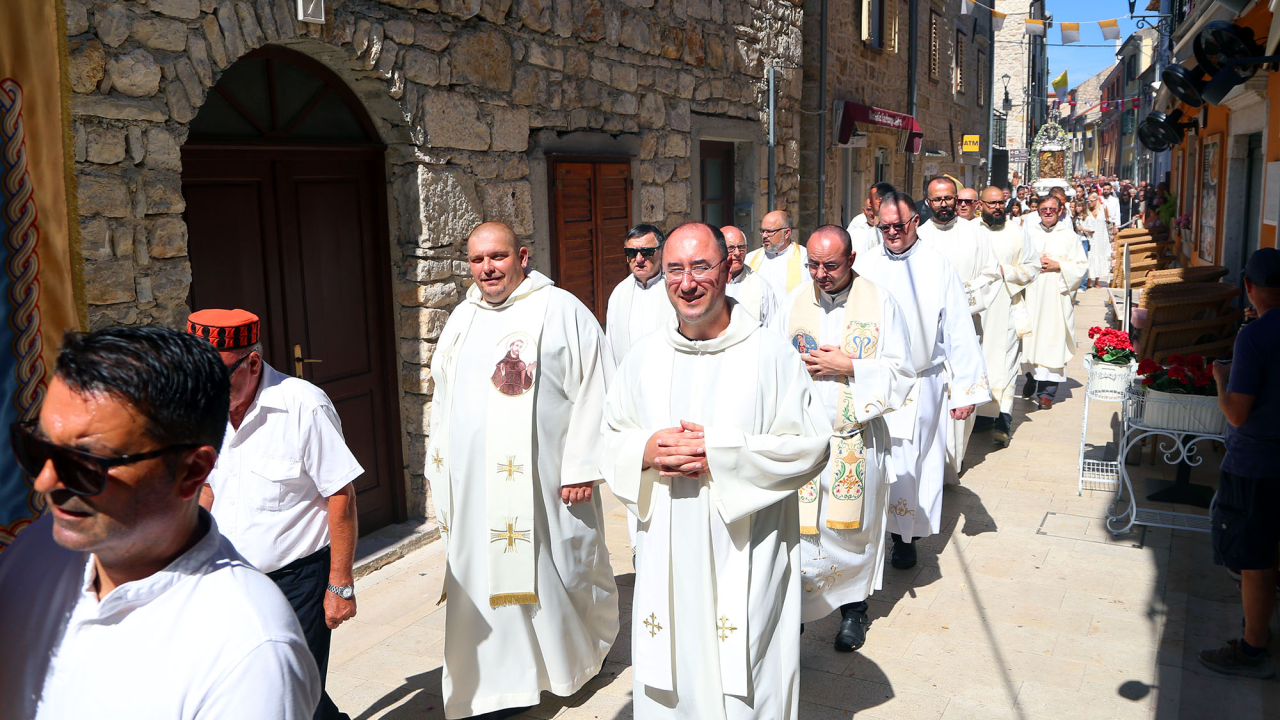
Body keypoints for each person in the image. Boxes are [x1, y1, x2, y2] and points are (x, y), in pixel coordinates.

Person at [0, 326, 320, 720]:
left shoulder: (250, 657)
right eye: (38, 449)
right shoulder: (37, 551)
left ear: (191, 471)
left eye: (85, 464)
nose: (46, 481)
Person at [602, 222, 830, 720]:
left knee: (746, 675)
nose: (687, 283)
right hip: (666, 553)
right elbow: (608, 436)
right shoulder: (642, 359)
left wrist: (721, 454)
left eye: (700, 267)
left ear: (728, 268)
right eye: (674, 270)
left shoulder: (770, 354)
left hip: (747, 554)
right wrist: (645, 449)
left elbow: (812, 445)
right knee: (673, 675)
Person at [425, 222, 619, 718]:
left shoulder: (560, 310)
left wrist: (581, 465)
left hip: (542, 481)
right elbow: (444, 398)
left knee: (553, 571)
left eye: (498, 257)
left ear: (522, 256)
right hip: (472, 489)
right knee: (480, 576)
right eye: (477, 260)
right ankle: (494, 682)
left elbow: (598, 387)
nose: (487, 269)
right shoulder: (461, 318)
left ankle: (561, 662)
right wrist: (440, 465)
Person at [190, 309, 361, 720]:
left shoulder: (303, 404)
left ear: (251, 362)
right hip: (229, 577)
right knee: (263, 687)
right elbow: (207, 489)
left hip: (296, 580)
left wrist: (340, 585)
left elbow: (340, 495)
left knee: (287, 690)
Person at [771, 225, 914, 653]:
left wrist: (851, 366)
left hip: (856, 439)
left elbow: (903, 372)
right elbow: (772, 364)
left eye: (829, 265)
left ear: (851, 260)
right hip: (805, 440)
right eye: (813, 264)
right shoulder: (793, 302)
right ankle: (795, 613)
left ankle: (854, 610)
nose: (820, 273)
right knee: (801, 532)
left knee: (853, 530)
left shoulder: (880, 303)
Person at [854, 192, 990, 570]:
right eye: (885, 227)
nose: (893, 233)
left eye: (900, 225)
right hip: (872, 379)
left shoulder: (937, 265)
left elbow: (959, 330)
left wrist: (966, 390)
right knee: (870, 459)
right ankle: (868, 533)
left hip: (919, 381)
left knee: (910, 460)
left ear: (916, 220)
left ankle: (904, 537)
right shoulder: (865, 264)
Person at [1201, 247, 1280, 680]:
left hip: (1257, 463)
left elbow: (1236, 412)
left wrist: (1221, 378)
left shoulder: (1254, 337)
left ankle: (1253, 648)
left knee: (1254, 562)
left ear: (1249, 287)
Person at [917, 177, 1002, 482]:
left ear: (957, 200)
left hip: (967, 326)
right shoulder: (919, 236)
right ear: (928, 203)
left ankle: (954, 463)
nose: (944, 204)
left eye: (948, 198)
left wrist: (963, 296)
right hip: (930, 335)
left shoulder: (976, 234)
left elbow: (992, 274)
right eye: (937, 199)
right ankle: (933, 465)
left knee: (962, 394)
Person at [976, 186, 1040, 447]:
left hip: (1007, 307)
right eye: (991, 204)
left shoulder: (1017, 231)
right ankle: (980, 416)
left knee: (1006, 364)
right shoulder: (971, 231)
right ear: (981, 205)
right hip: (978, 311)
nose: (997, 208)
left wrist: (1005, 272)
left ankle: (1003, 420)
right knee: (979, 362)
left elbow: (1033, 265)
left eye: (1000, 203)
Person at [1020, 195, 1088, 409]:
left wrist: (1059, 265)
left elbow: (1081, 265)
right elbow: (1017, 260)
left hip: (1057, 298)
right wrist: (1034, 262)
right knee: (1029, 339)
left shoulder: (1069, 236)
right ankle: (1031, 378)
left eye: (1052, 209)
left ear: (1060, 211)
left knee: (1053, 339)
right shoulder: (1028, 234)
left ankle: (1047, 393)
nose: (1048, 212)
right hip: (1032, 294)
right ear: (1037, 211)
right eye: (1043, 209)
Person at [605, 224, 672, 365]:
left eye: (646, 252)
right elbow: (610, 347)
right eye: (632, 252)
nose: (639, 259)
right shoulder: (618, 295)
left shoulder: (674, 289)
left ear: (661, 252)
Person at [722, 224, 779, 325]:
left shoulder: (762, 287)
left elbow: (772, 328)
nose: (737, 253)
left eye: (741, 248)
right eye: (731, 248)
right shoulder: (707, 282)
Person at [746, 210, 809, 299]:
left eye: (769, 231)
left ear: (787, 233)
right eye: (762, 231)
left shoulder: (806, 259)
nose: (764, 235)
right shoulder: (750, 259)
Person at [847, 182, 896, 251]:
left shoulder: (895, 227)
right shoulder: (858, 227)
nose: (870, 203)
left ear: (880, 200)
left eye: (871, 199)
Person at [1085, 192, 1112, 289]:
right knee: (1090, 257)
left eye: (1091, 201)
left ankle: (1096, 280)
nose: (1089, 203)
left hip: (1101, 237)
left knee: (1100, 256)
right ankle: (1089, 279)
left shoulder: (1103, 209)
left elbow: (1109, 222)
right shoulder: (1087, 211)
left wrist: (1111, 236)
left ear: (1096, 200)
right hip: (1091, 237)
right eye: (1088, 201)